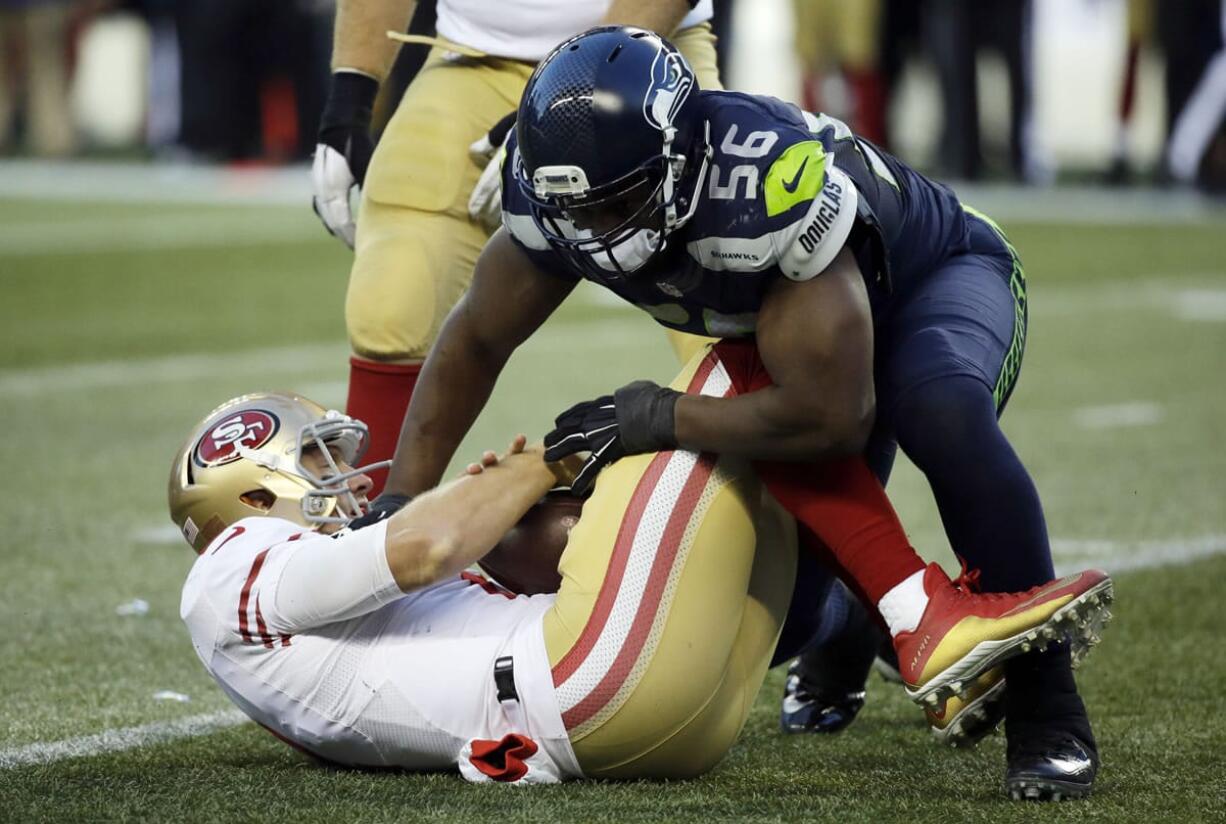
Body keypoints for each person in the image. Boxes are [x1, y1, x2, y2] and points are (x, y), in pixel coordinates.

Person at [362, 27, 1112, 800]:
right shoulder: (558, 194)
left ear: (681, 159)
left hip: (935, 283)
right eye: (578, 209)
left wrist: (656, 415)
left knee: (939, 411)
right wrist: (397, 500)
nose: (599, 230)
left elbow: (834, 419)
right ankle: (853, 624)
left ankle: (1048, 709)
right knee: (763, 618)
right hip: (800, 347)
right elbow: (475, 341)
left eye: (622, 199)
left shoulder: (760, 183)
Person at [171, 350, 1108, 784]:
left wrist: (517, 505)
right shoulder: (233, 570)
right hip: (583, 680)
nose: (344, 474)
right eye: (317, 460)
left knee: (779, 420)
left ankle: (859, 620)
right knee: (733, 374)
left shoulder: (283, 618)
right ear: (249, 499)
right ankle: (919, 614)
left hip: (637, 722)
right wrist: (545, 462)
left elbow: (517, 564)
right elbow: (421, 547)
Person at [311, 0, 722, 495]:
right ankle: (370, 538)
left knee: (726, 313)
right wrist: (349, 97)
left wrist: (561, 97)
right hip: (472, 61)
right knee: (395, 300)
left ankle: (786, 532)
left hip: (644, 63)